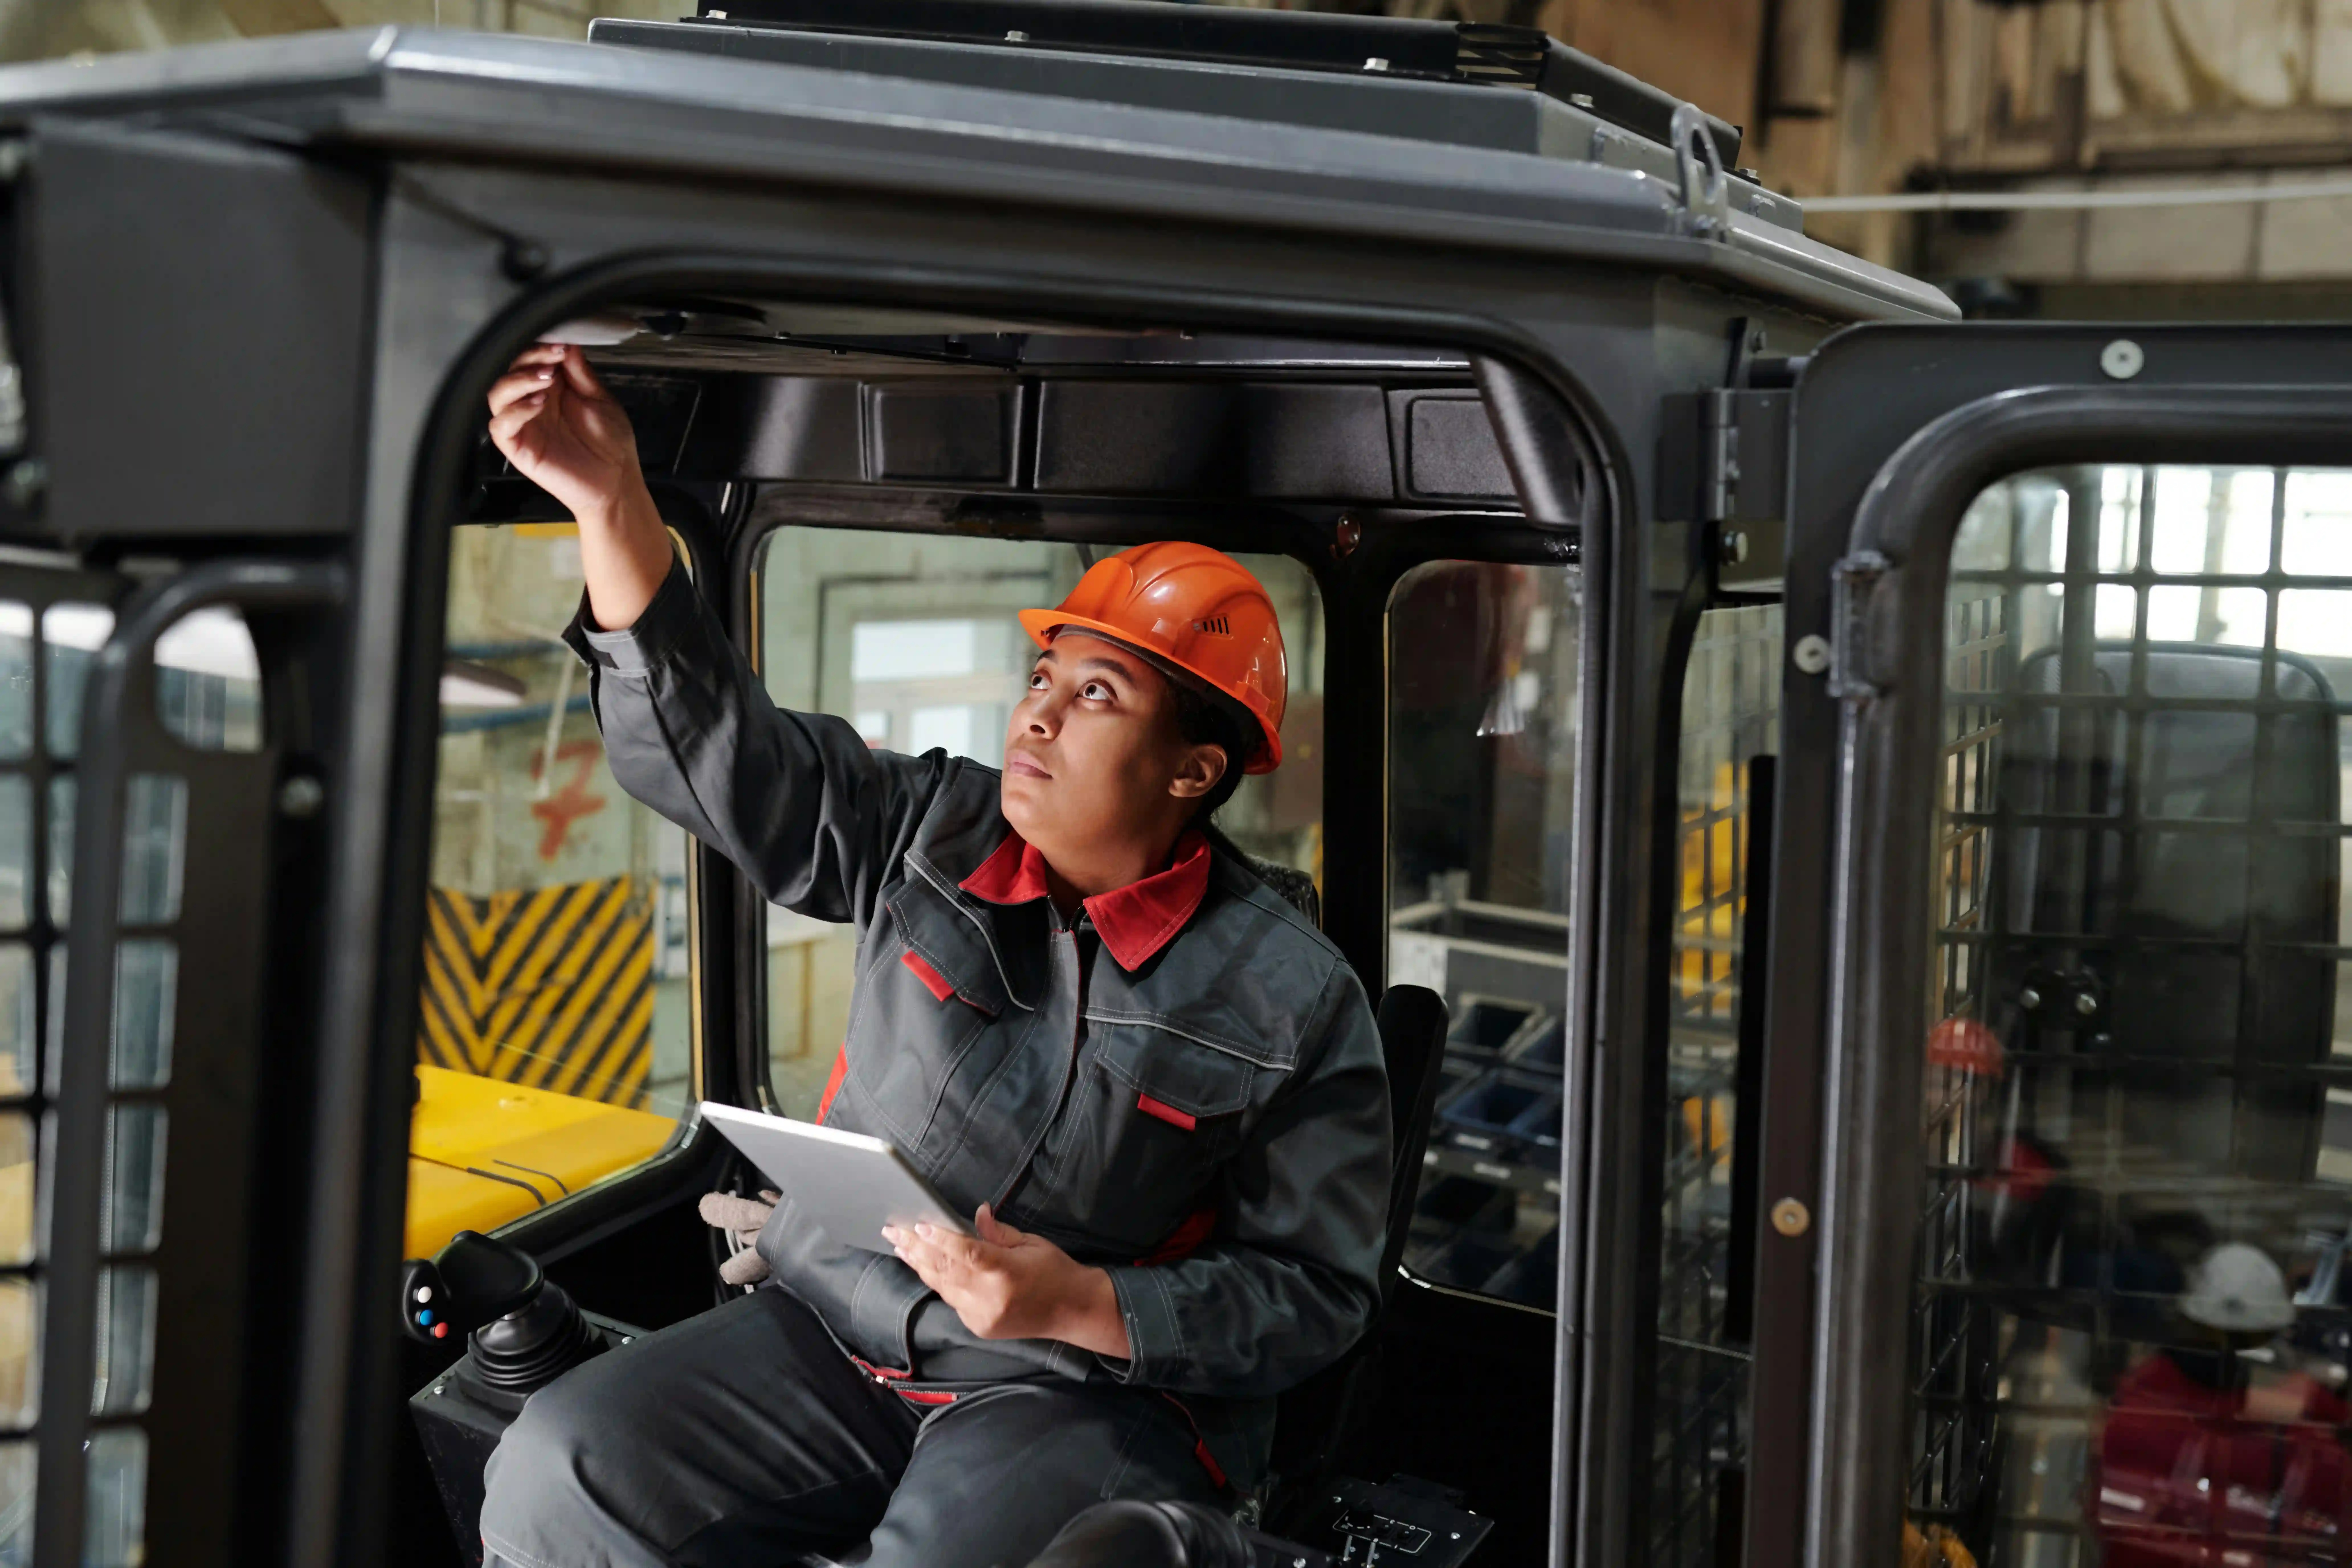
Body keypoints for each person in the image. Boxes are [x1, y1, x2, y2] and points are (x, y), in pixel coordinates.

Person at [472, 343, 1392, 1568]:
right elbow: (723, 759)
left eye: (1098, 694)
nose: (1038, 714)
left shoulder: (1293, 998)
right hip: (834, 1322)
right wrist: (613, 506)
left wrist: (1080, 1302)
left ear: (1194, 771)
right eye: (1043, 675)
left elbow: (1313, 1295)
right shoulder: (930, 826)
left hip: (1073, 1392)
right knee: (557, 1463)